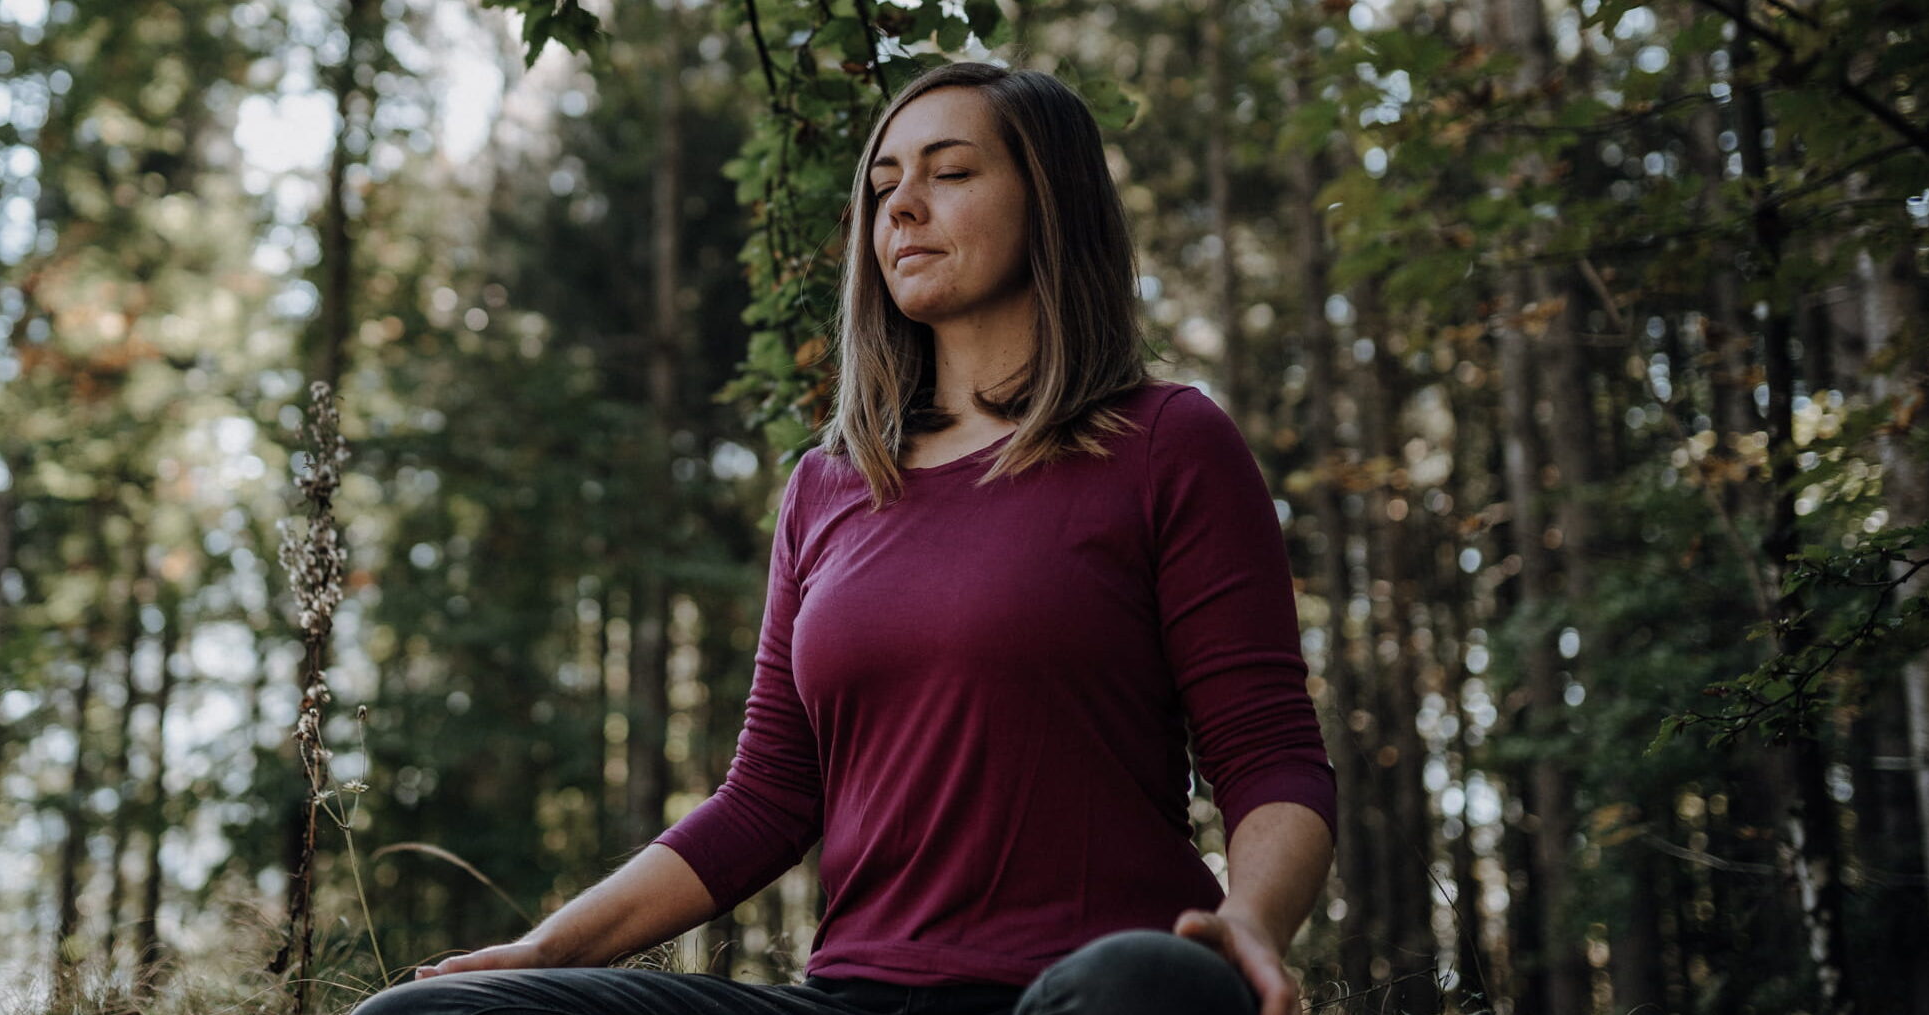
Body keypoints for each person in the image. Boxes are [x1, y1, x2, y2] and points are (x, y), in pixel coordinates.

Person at [354, 61, 1338, 1015]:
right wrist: (539, 955)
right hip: (851, 997)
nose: (902, 205)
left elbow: (1269, 754)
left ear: (1052, 202)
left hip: (1087, 988)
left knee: (1154, 981)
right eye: (882, 184)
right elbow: (764, 801)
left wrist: (1248, 923)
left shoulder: (1165, 442)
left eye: (950, 173)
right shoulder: (827, 486)